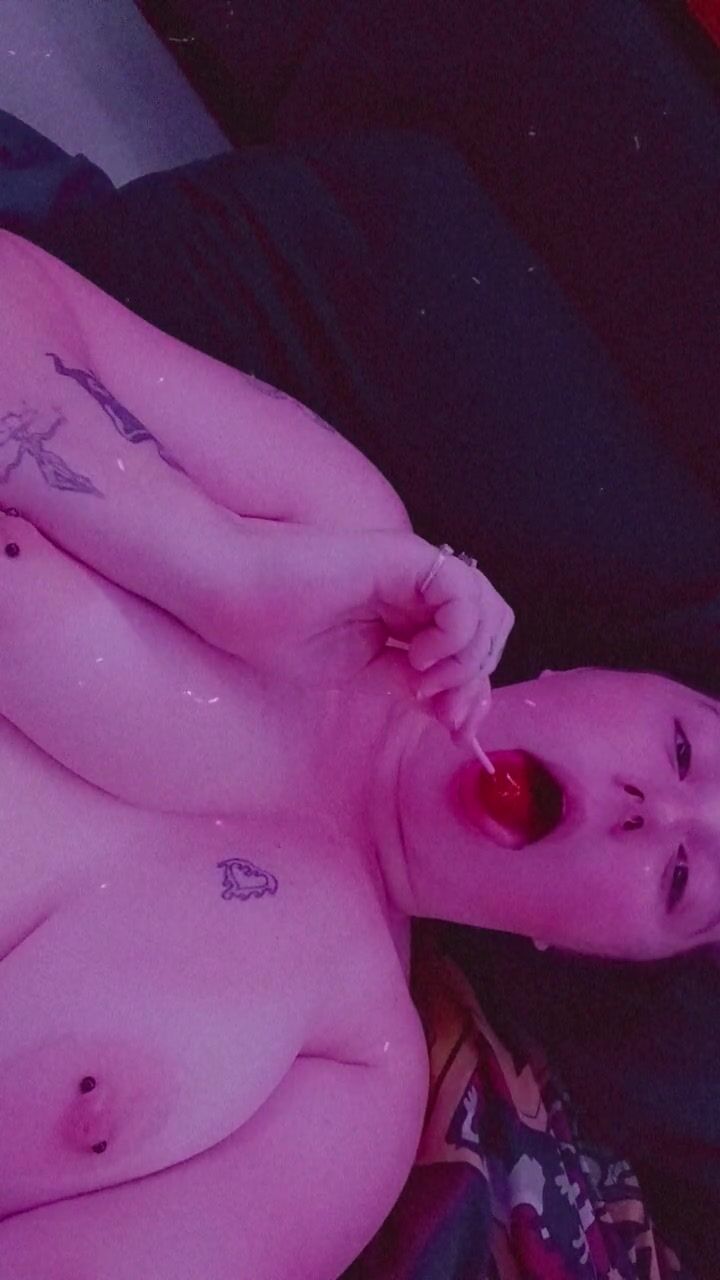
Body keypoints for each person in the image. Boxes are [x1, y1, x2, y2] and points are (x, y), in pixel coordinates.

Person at [0, 230, 716, 1278]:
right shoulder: (338, 518)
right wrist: (215, 561)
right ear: (592, 674)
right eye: (683, 746)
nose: (655, 810)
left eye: (682, 878)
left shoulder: (349, 1085)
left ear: (591, 951)